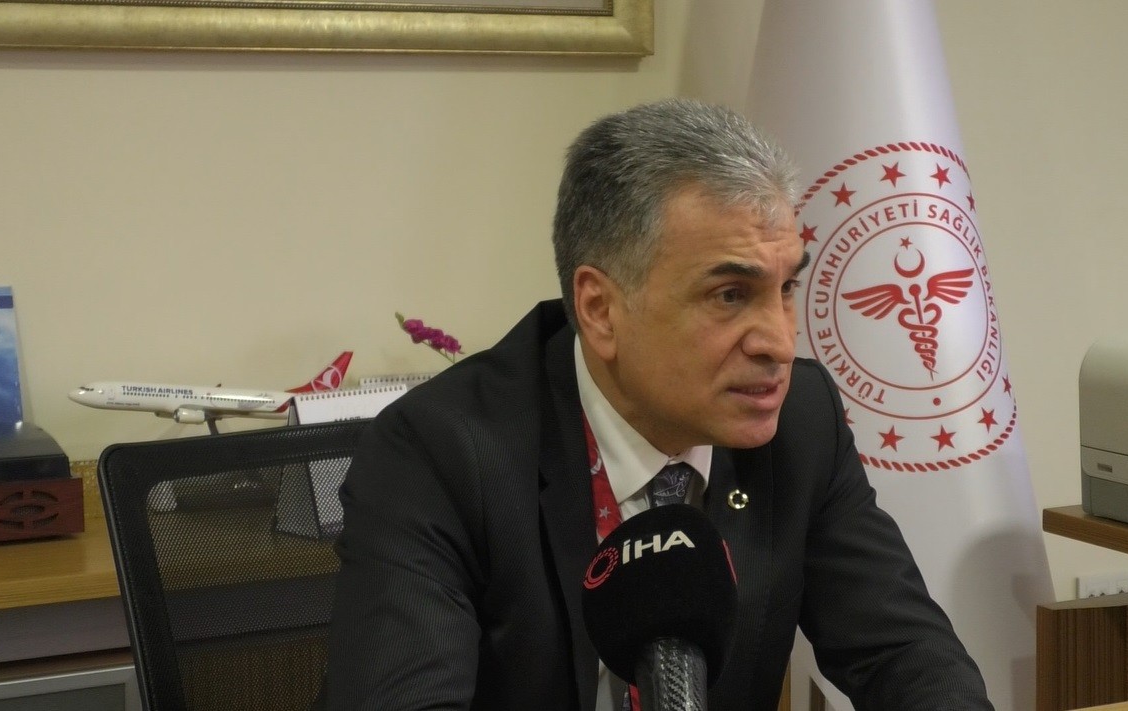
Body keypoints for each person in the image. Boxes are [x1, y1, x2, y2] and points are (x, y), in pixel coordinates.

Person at [326, 98, 993, 710]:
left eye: (786, 288)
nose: (781, 343)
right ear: (600, 309)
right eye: (730, 295)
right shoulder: (439, 454)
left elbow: (904, 654)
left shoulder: (800, 421)